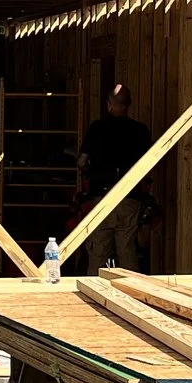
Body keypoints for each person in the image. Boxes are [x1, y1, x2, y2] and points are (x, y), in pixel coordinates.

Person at [76, 84, 155, 273]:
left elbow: (82, 161)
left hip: (102, 200)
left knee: (98, 254)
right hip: (129, 200)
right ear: (129, 104)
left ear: (109, 104)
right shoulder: (140, 131)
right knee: (128, 254)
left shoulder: (97, 128)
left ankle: (91, 297)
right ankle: (132, 296)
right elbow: (149, 166)